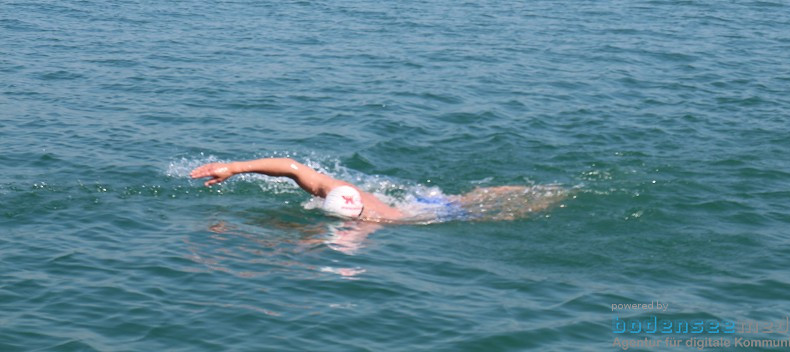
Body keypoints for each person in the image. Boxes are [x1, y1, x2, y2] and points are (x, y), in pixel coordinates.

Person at [190, 157, 565, 223]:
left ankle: (554, 196)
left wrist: (236, 168)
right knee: (467, 198)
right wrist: (235, 168)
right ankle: (550, 190)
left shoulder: (366, 221)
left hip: (428, 216)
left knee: (490, 214)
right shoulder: (340, 190)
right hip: (417, 202)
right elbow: (292, 168)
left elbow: (293, 170)